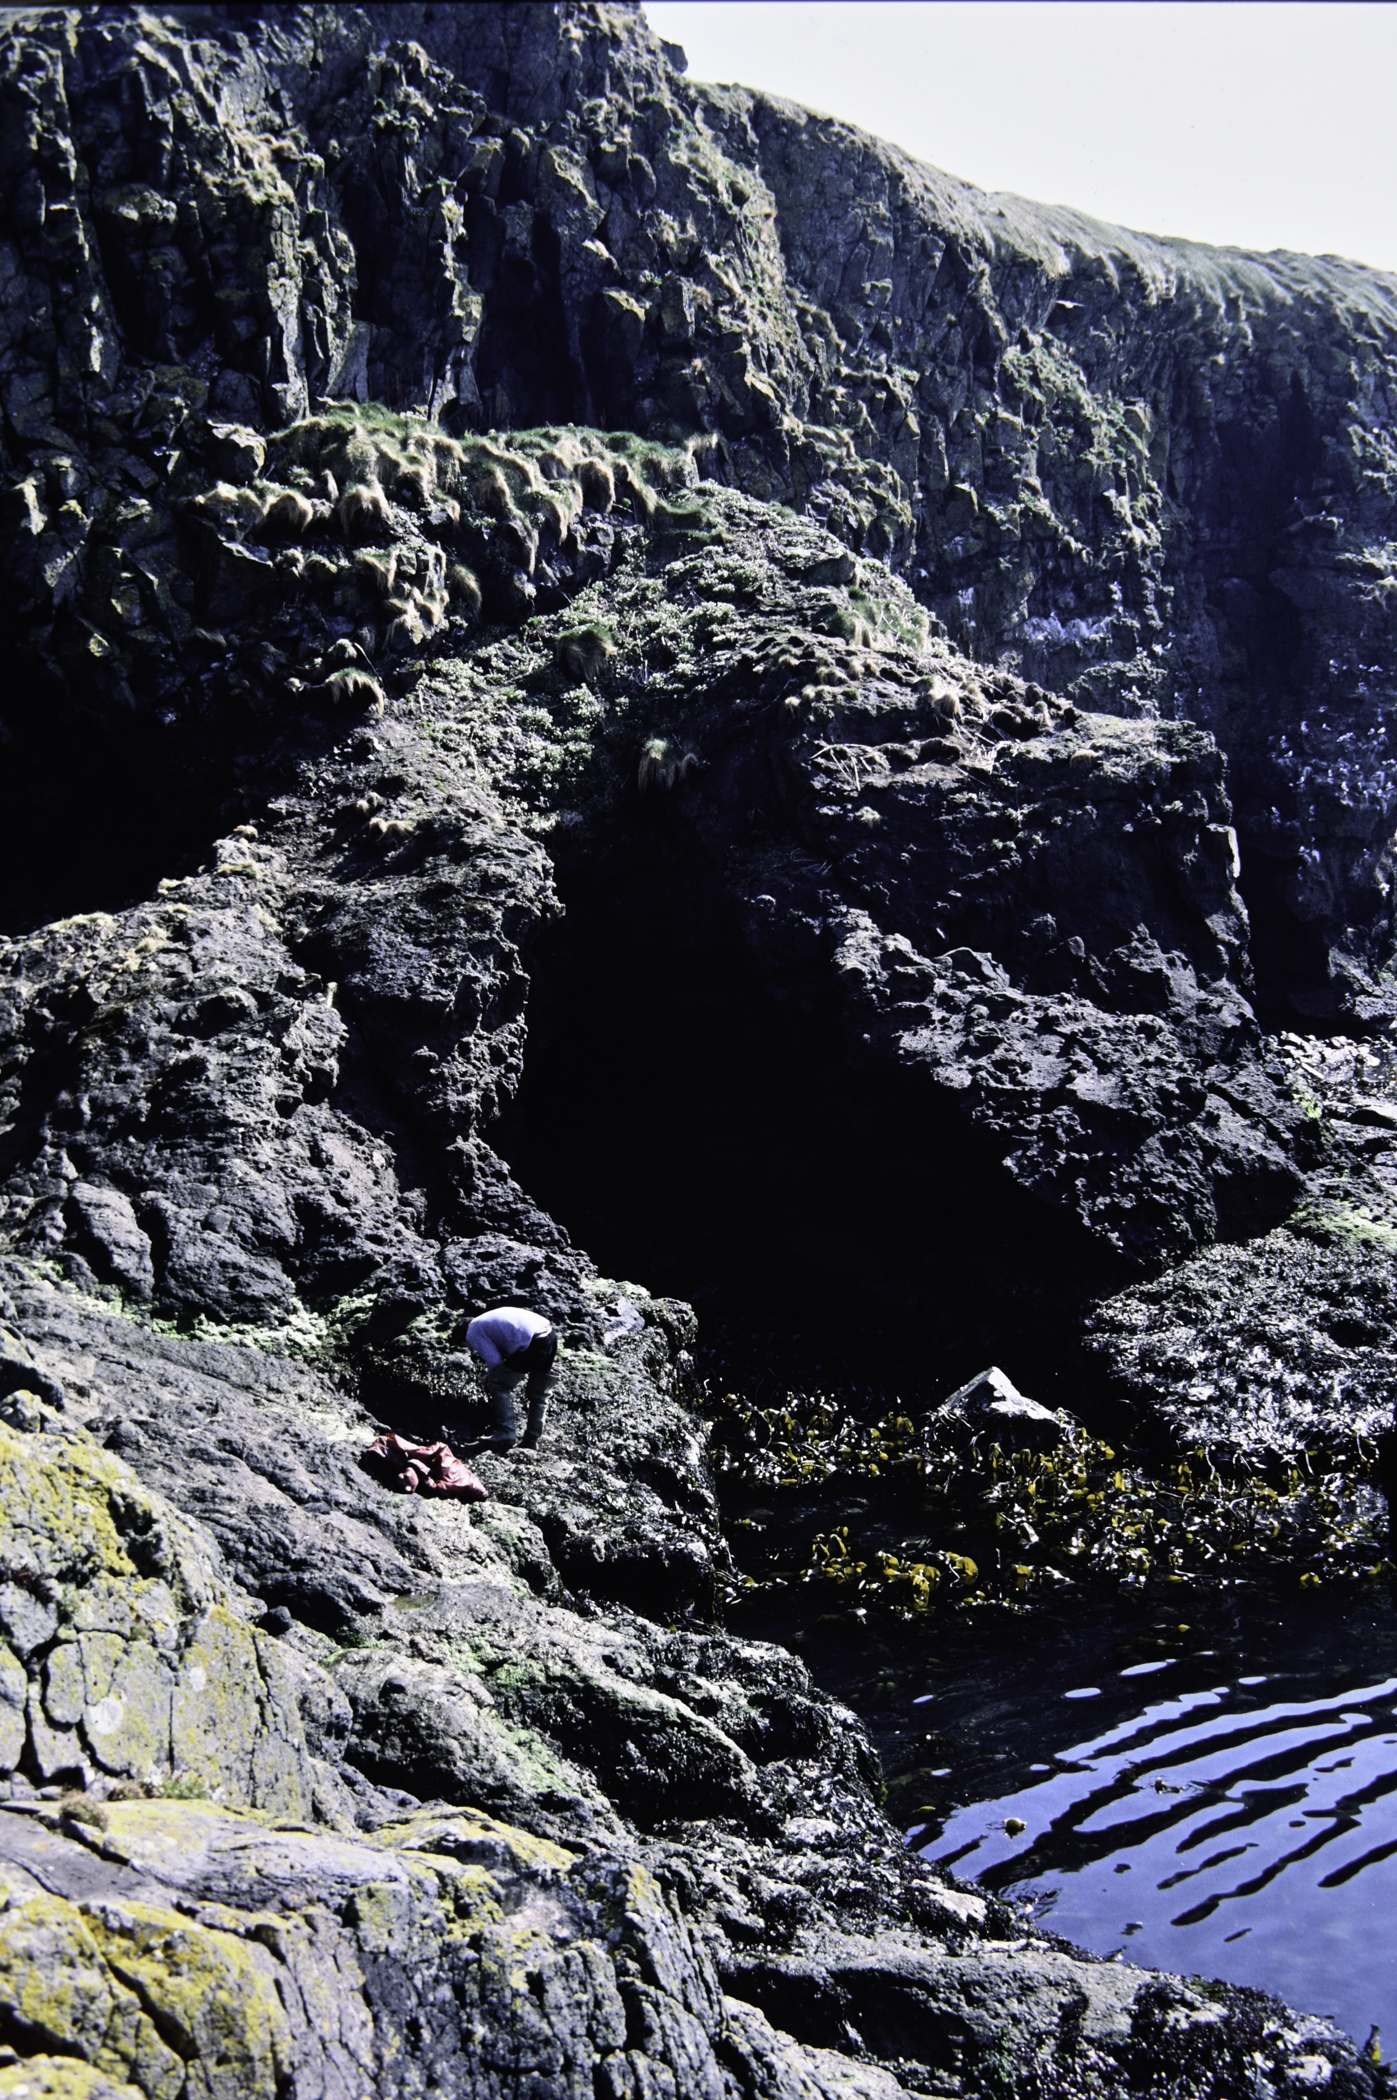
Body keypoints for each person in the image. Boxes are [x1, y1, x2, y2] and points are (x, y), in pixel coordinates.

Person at [464, 1306, 559, 1452]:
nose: (471, 1350)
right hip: (549, 1335)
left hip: (533, 1343)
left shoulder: (473, 1331)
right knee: (539, 1394)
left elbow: (495, 1361)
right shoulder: (486, 1321)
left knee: (498, 1384)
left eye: (466, 1347)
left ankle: (506, 1432)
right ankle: (532, 1440)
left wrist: (488, 1378)